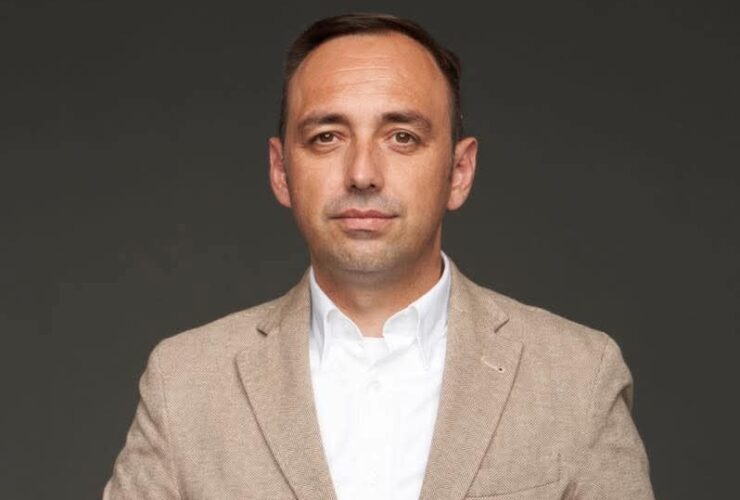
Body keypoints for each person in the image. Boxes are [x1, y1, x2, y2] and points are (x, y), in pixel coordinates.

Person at [103, 13, 654, 500]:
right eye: (327, 137)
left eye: (402, 137)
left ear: (459, 172)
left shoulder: (577, 376)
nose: (362, 173)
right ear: (281, 171)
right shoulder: (185, 382)